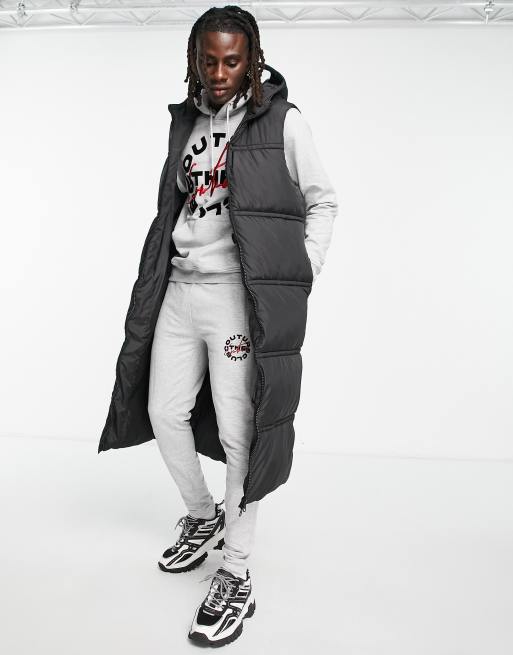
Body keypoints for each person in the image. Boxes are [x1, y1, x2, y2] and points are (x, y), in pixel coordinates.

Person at [105, 4, 337, 648]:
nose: (218, 72)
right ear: (195, 60)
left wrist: (300, 270)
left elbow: (323, 200)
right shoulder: (188, 121)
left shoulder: (283, 123)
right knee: (163, 411)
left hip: (238, 297)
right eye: (208, 60)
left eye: (232, 61)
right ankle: (203, 515)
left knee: (240, 437)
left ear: (252, 60)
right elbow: (180, 204)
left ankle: (236, 571)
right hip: (181, 288)